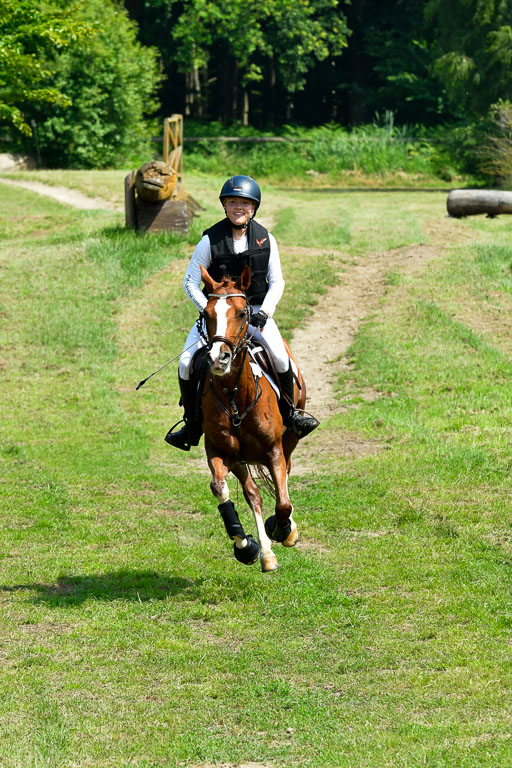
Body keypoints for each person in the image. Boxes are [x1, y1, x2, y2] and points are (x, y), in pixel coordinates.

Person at [165, 174, 319, 451]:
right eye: (233, 202)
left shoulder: (266, 239)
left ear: (254, 208)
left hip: (256, 311)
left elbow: (278, 281)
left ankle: (291, 414)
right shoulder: (209, 240)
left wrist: (266, 312)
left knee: (282, 360)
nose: (239, 208)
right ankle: (191, 423)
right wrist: (208, 310)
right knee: (186, 362)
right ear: (224, 206)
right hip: (219, 315)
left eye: (245, 204)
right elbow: (190, 281)